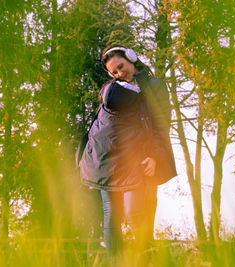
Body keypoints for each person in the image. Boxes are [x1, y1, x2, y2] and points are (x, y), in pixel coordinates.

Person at [78, 45, 177, 256]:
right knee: (111, 217)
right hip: (108, 160)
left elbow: (161, 123)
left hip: (137, 159)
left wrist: (154, 155)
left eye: (121, 66)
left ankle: (147, 260)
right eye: (114, 72)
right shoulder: (113, 90)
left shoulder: (155, 86)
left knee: (135, 214)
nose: (120, 73)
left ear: (131, 57)